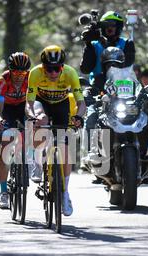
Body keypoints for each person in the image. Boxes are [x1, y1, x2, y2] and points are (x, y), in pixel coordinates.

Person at [25, 45, 86, 216]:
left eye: (56, 69)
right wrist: (32, 117)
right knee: (41, 121)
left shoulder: (70, 73)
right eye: (49, 69)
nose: (52, 73)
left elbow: (81, 103)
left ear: (62, 67)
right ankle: (37, 163)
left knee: (65, 149)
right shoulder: (35, 73)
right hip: (41, 103)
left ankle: (65, 193)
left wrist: (79, 117)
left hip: (61, 105)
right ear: (43, 67)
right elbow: (29, 104)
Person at [80, 11, 136, 161]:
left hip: (124, 87)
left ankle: (145, 156)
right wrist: (88, 46)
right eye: (106, 26)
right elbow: (85, 68)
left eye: (113, 26)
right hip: (99, 87)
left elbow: (127, 63)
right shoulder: (93, 43)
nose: (109, 29)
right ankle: (92, 154)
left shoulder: (127, 43)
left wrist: (105, 43)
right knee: (91, 116)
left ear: (119, 27)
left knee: (142, 117)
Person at [0, 52, 31, 209]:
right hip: (7, 110)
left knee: (29, 136)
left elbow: (35, 102)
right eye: (16, 72)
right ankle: (3, 193)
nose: (19, 76)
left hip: (24, 108)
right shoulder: (3, 81)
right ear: (10, 70)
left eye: (22, 72)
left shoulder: (31, 78)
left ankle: (25, 162)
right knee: (5, 148)